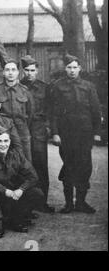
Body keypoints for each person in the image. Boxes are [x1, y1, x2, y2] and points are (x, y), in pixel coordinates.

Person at [50, 54, 102, 214]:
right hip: (66, 134)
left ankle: (81, 202)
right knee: (68, 167)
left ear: (80, 68)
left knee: (85, 167)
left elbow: (95, 110)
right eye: (69, 67)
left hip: (84, 134)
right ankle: (68, 204)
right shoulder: (58, 86)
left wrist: (97, 132)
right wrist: (55, 133)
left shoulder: (88, 86)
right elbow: (53, 113)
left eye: (75, 67)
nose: (72, 70)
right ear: (65, 68)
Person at [0, 131, 44, 238]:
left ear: (10, 142)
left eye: (6, 141)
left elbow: (33, 177)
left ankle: (17, 219)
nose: (3, 144)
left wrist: (21, 189)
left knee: (37, 193)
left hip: (14, 195)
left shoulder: (17, 155)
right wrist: (5, 191)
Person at [20, 55, 55, 213]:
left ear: (37, 70)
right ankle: (27, 203)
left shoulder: (45, 87)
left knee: (41, 165)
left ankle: (42, 202)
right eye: (26, 70)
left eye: (32, 70)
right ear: (23, 71)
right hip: (24, 128)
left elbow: (50, 110)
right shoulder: (19, 86)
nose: (29, 73)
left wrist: (48, 127)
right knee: (25, 165)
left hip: (39, 129)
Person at [0, 60, 34, 161]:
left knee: (25, 160)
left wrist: (24, 126)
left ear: (18, 72)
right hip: (3, 131)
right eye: (7, 70)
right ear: (3, 73)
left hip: (22, 131)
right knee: (5, 160)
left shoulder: (25, 91)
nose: (10, 73)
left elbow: (30, 113)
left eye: (13, 70)